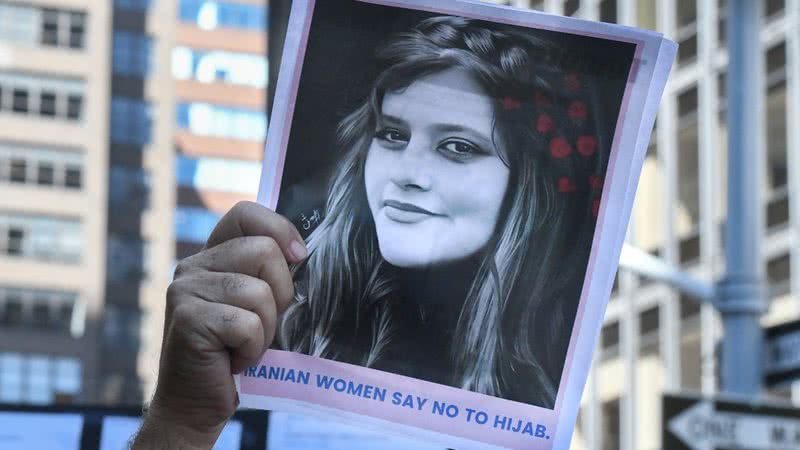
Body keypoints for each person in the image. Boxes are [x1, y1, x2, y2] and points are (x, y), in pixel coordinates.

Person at [279, 16, 605, 407]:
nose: (406, 174)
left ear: (529, 185)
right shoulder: (283, 318)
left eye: (458, 147)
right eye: (393, 135)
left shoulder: (556, 373)